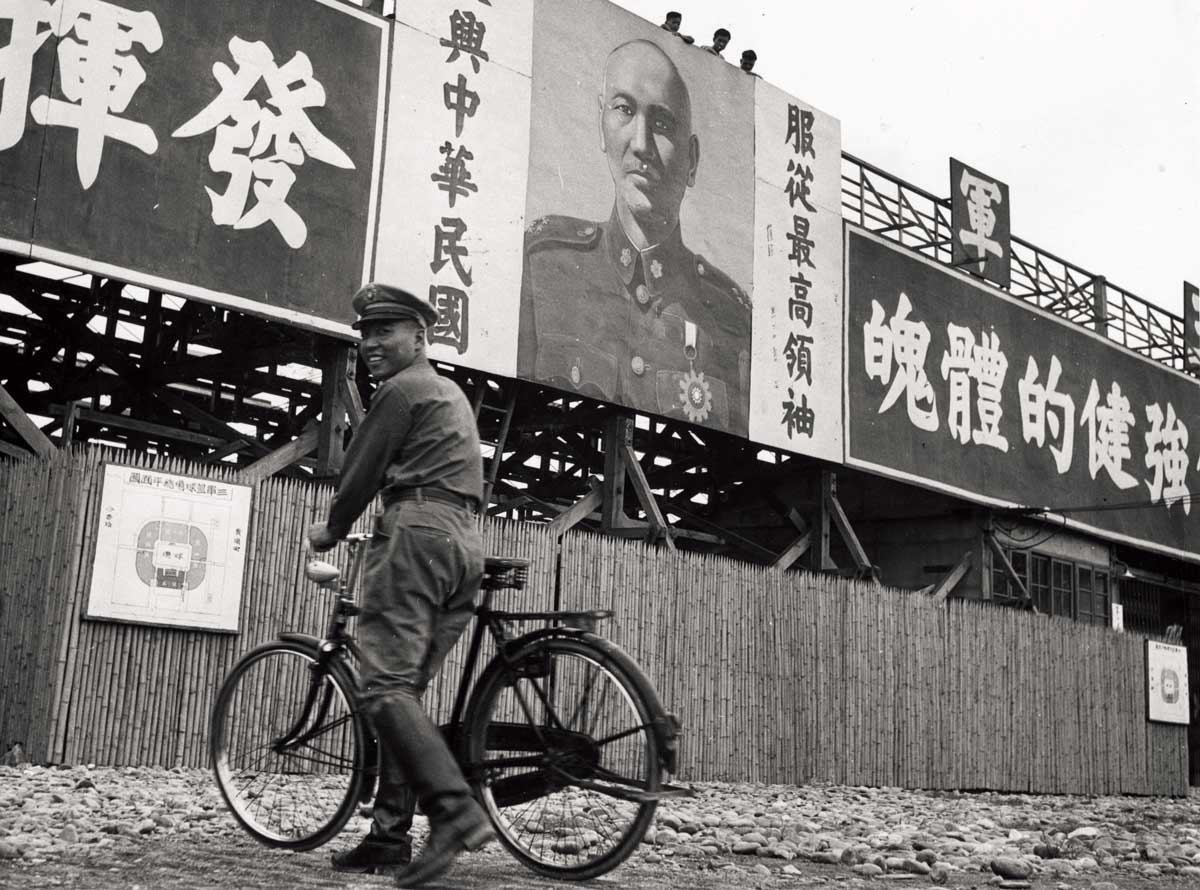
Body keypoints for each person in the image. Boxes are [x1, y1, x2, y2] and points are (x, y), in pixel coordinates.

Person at [308, 282, 492, 887]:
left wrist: (330, 531)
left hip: (414, 532)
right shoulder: (450, 393)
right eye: (364, 333)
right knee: (401, 697)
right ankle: (389, 833)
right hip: (463, 545)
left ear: (420, 335)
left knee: (384, 687)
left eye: (384, 331)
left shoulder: (401, 390)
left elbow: (359, 475)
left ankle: (455, 811)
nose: (370, 344)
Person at [517, 39, 752, 436]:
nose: (641, 144)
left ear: (691, 160)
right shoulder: (544, 265)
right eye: (624, 110)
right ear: (601, 126)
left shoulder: (733, 320)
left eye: (662, 124)